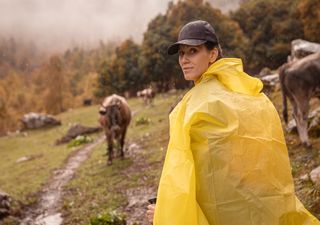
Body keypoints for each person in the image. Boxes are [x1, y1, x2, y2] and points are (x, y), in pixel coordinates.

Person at [146, 20, 320, 225]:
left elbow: (181, 176)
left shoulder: (190, 106)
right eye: (181, 54)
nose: (184, 59)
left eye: (192, 51)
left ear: (212, 54)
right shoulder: (252, 94)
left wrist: (165, 213)